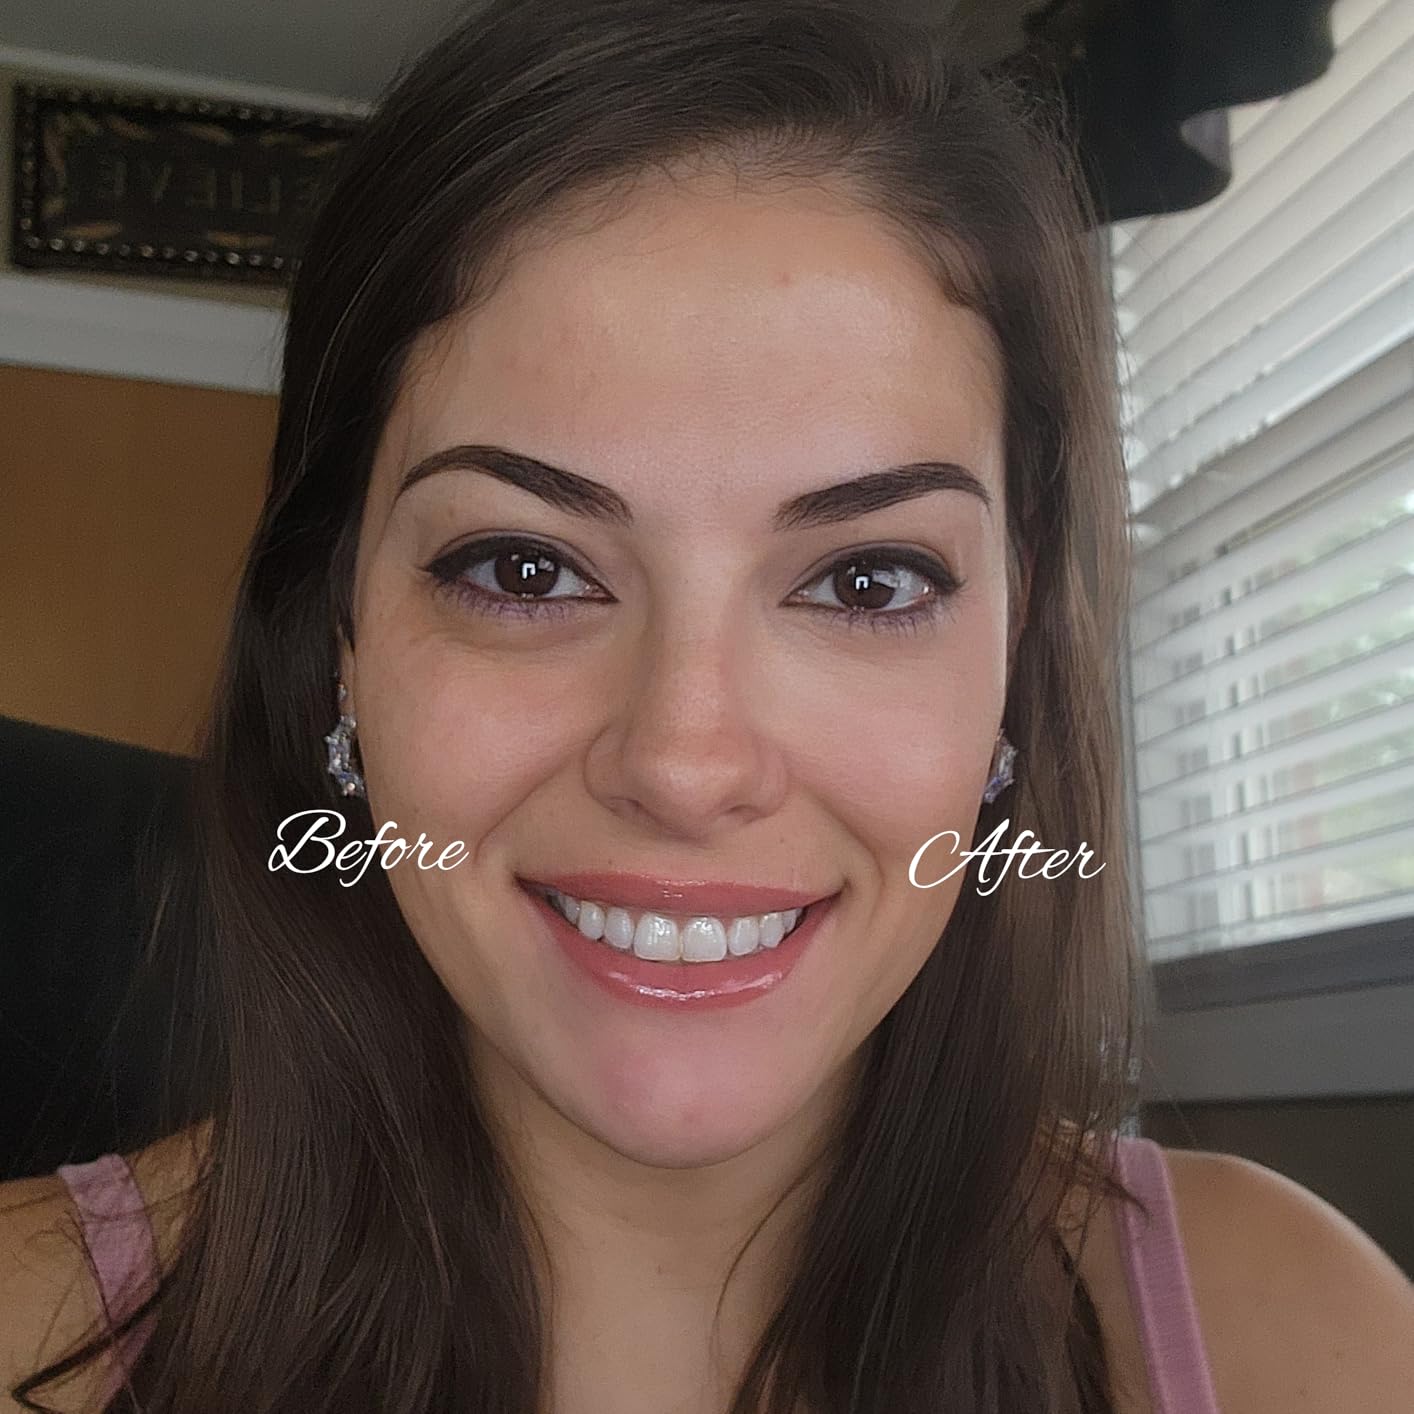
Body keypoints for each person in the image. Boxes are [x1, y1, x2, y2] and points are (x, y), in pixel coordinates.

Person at [3, 1, 1412, 1411]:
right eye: (523, 568)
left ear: (1014, 647)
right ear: (340, 639)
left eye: (866, 580)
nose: (684, 762)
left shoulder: (1299, 1339)